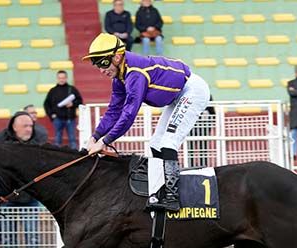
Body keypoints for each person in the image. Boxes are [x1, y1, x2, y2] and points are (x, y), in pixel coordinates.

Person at [83, 33, 211, 211]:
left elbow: (128, 115)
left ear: (117, 56)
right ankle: (157, 194)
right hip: (177, 96)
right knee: (155, 144)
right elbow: (113, 111)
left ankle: (172, 198)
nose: (101, 70)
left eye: (103, 63)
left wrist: (105, 141)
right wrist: (94, 137)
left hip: (192, 91)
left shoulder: (135, 73)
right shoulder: (120, 76)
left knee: (168, 143)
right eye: (96, 65)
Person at [0, 112, 42, 248]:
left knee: (33, 238)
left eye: (30, 126)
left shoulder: (36, 145)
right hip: (7, 200)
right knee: (8, 239)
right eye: (25, 126)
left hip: (30, 200)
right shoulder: (0, 144)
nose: (29, 129)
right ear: (14, 127)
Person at [43, 70, 83, 149]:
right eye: (60, 78)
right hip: (57, 119)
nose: (61, 80)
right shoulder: (53, 91)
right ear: (57, 79)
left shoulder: (72, 89)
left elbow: (80, 101)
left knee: (72, 140)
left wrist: (73, 104)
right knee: (57, 140)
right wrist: (51, 115)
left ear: (66, 78)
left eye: (63, 78)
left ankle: (74, 157)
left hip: (70, 119)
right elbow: (46, 104)